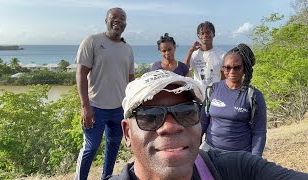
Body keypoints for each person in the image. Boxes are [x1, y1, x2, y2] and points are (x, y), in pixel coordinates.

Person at [108, 70, 308, 180]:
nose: (170, 126)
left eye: (186, 112)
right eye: (150, 116)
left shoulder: (237, 169)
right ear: (127, 133)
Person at [74, 7, 135, 180]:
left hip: (119, 109)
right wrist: (85, 106)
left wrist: (130, 108)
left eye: (122, 18)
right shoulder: (92, 41)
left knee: (113, 145)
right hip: (95, 107)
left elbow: (131, 80)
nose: (118, 20)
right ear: (106, 20)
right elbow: (81, 74)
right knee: (91, 147)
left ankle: (106, 177)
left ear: (125, 24)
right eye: (114, 17)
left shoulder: (128, 49)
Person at [200, 43, 267, 156]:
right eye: (227, 67)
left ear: (244, 67)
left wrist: (255, 161)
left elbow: (259, 132)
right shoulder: (212, 90)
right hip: (210, 153)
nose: (232, 71)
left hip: (239, 157)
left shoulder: (253, 96)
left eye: (236, 67)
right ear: (223, 68)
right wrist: (194, 153)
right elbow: (203, 122)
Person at [183, 21, 226, 94]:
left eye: (208, 32)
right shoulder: (194, 54)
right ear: (198, 36)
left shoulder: (222, 54)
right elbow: (183, 70)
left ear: (214, 34)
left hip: (215, 94)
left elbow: (224, 76)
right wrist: (190, 51)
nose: (205, 35)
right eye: (202, 33)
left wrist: (221, 92)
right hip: (198, 94)